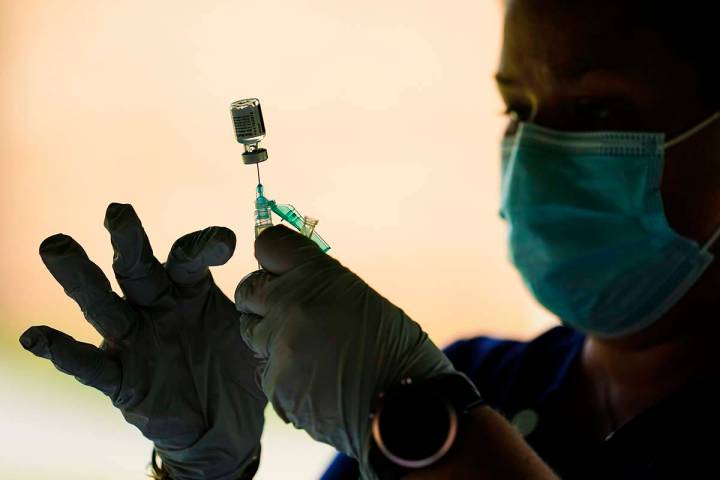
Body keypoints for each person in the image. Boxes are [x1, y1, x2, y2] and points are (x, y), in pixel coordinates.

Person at [19, 0, 720, 478]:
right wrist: (206, 470)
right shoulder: (484, 380)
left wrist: (431, 431)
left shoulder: (424, 406)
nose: (534, 154)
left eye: (598, 109)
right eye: (517, 109)